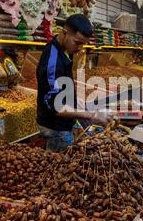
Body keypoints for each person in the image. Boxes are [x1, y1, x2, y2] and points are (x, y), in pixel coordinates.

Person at [36, 14, 112, 152]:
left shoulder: (65, 50)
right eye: (77, 42)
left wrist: (76, 104)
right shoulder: (53, 61)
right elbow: (56, 108)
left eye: (83, 44)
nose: (80, 48)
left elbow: (62, 88)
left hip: (65, 121)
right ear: (64, 33)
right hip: (55, 128)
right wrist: (91, 115)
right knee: (60, 167)